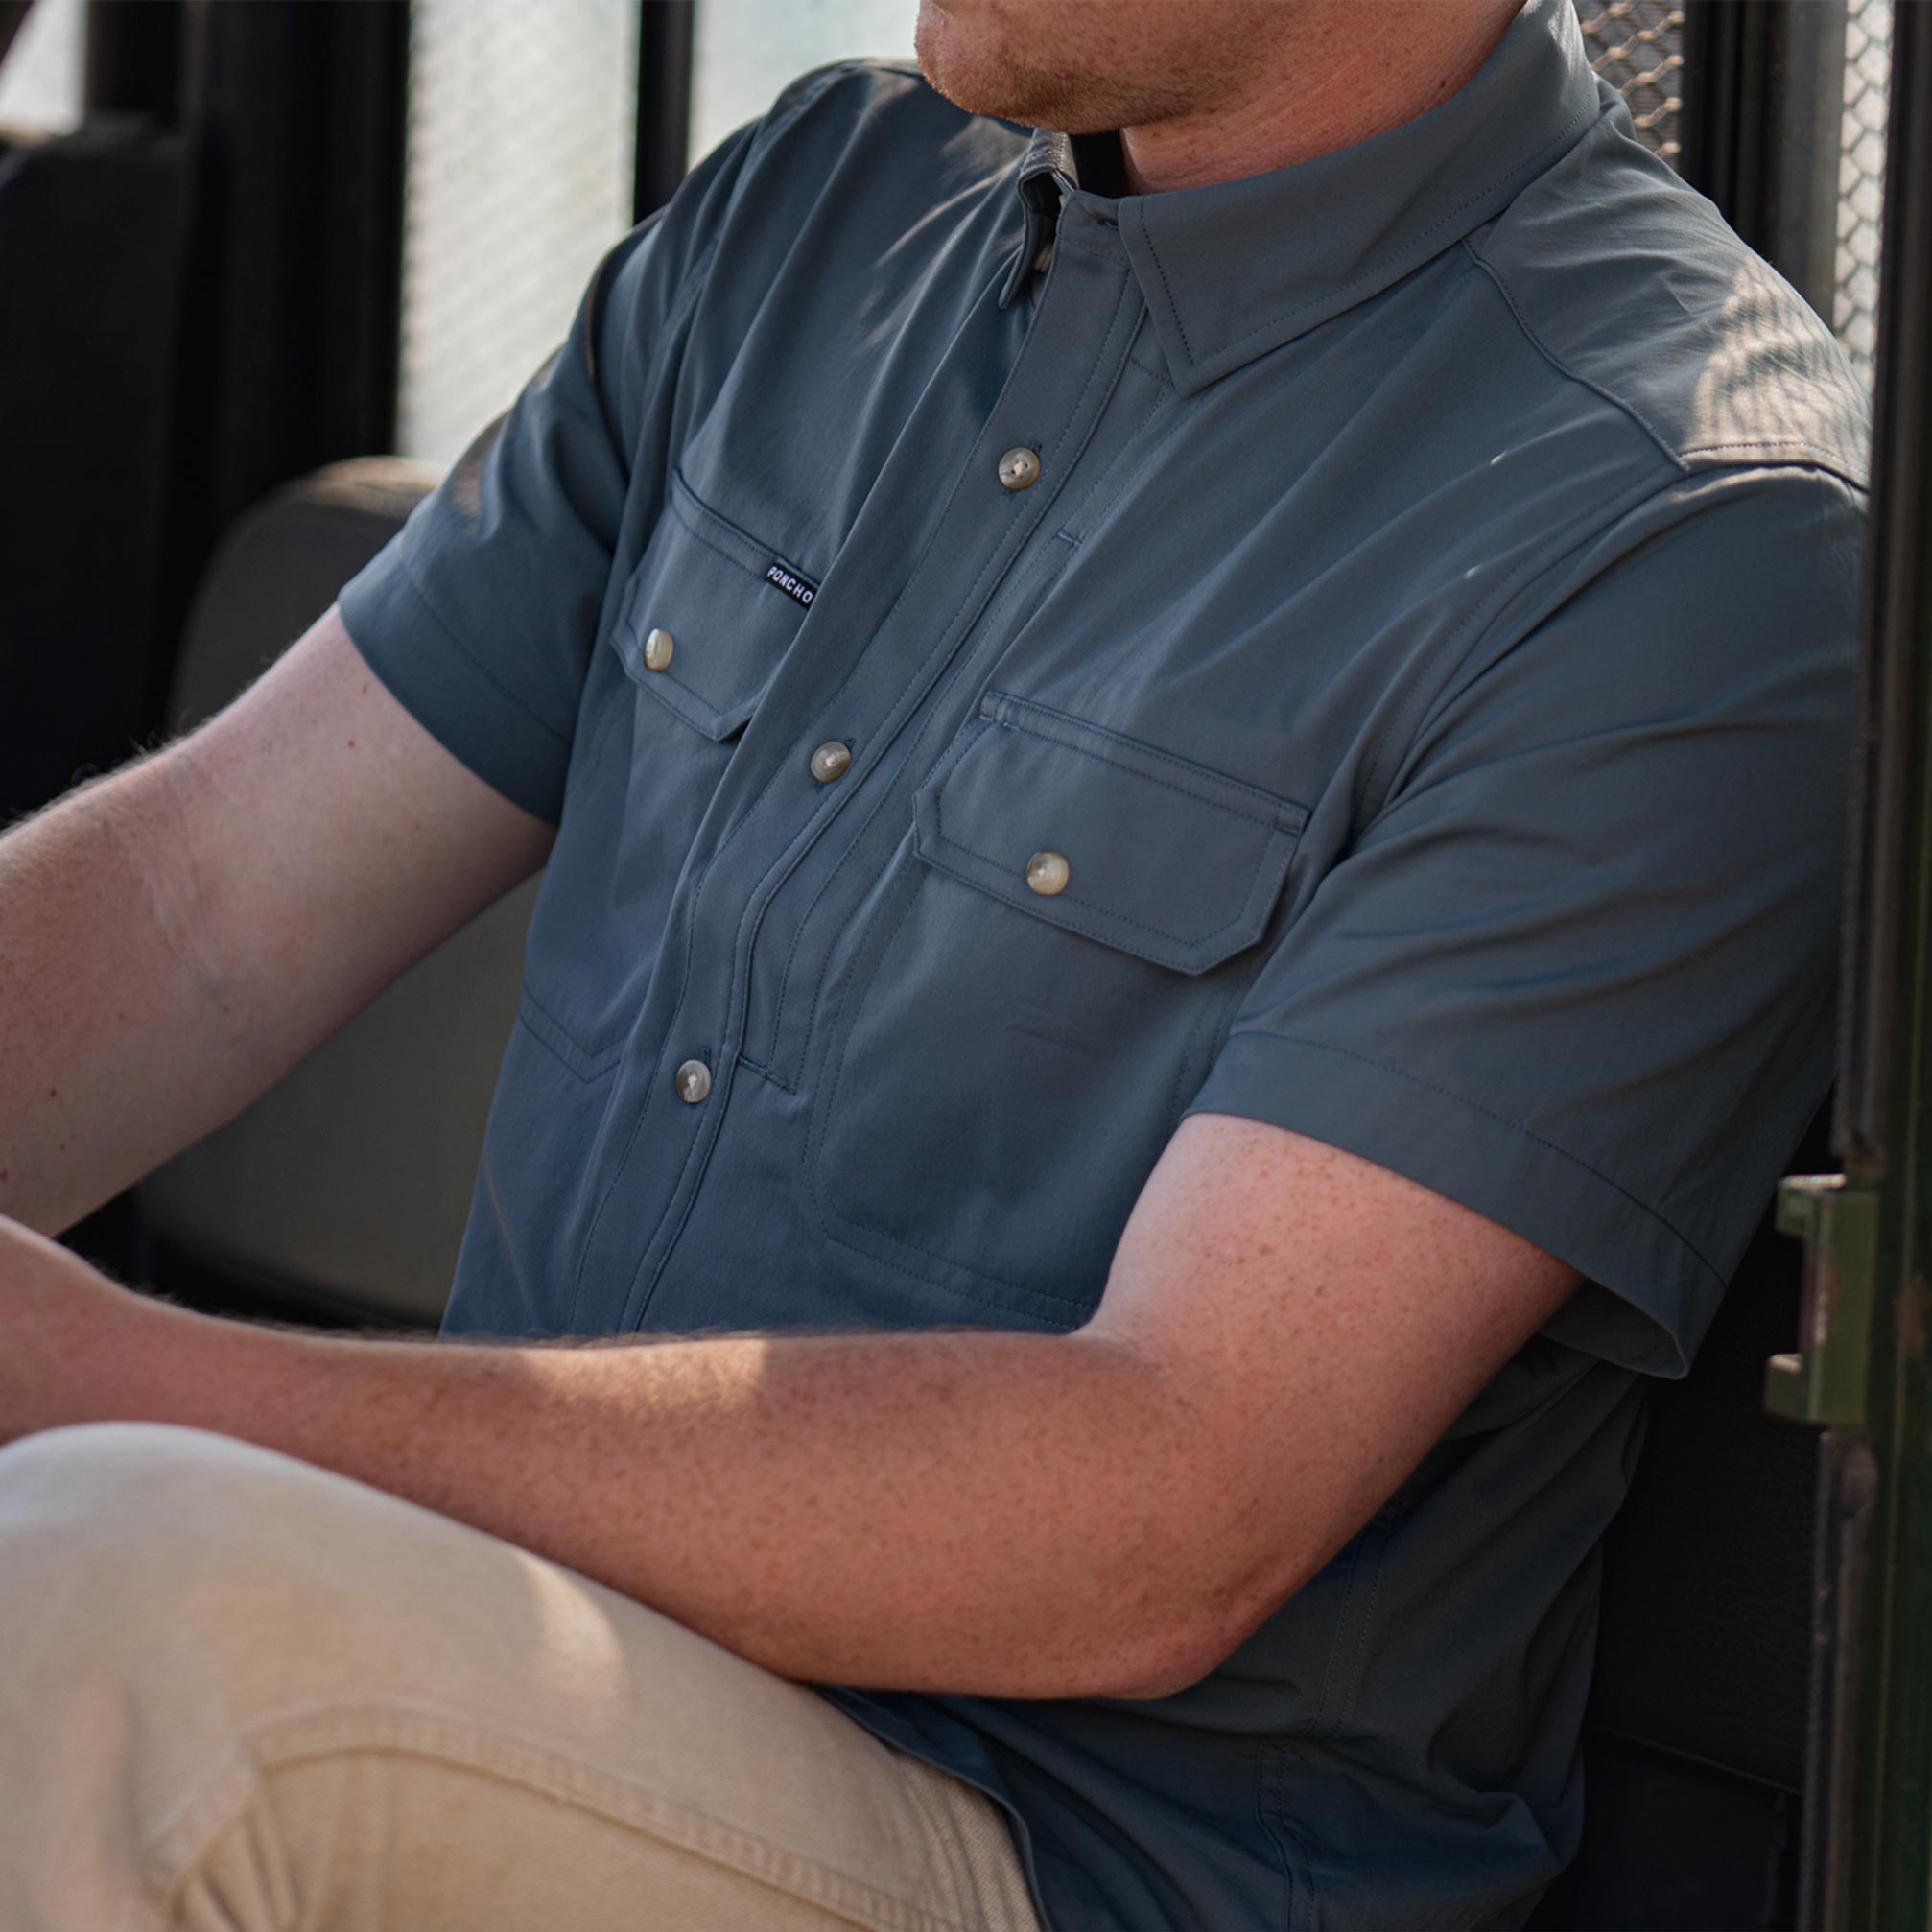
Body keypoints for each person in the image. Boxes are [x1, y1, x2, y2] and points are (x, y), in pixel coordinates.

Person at [0, 0, 1868, 1924]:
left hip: (1043, 1842)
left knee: (101, 1616)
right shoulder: (817, 210)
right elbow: (198, 898)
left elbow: (1173, 1498)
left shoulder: (1679, 538)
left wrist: (119, 1384)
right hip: (513, 1643)